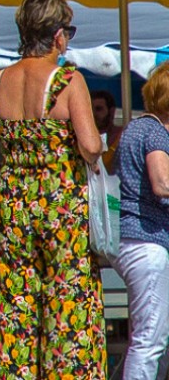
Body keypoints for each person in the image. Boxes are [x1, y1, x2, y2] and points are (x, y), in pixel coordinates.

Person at [0, 0, 105, 378]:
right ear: (58, 36)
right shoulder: (68, 81)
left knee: (16, 310)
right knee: (68, 307)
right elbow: (90, 146)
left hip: (14, 209)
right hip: (62, 212)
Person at [112, 62, 169, 379]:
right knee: (150, 339)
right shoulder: (156, 133)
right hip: (147, 242)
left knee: (152, 334)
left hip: (130, 239)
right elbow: (162, 184)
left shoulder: (136, 127)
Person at [92, 89, 124, 168]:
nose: (93, 114)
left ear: (111, 111)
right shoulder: (83, 138)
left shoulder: (122, 135)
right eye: (90, 110)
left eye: (98, 109)